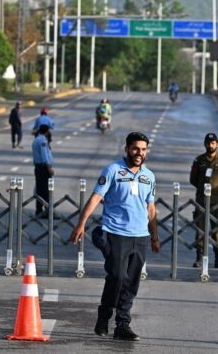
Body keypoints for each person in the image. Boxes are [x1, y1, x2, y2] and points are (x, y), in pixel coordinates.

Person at [70, 132, 160, 342]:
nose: (140, 153)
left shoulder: (149, 176)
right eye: (136, 148)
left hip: (140, 236)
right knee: (117, 277)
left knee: (132, 283)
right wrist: (81, 224)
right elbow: (95, 197)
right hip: (116, 233)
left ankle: (123, 325)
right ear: (127, 148)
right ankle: (104, 316)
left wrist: (154, 236)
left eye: (143, 149)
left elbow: (151, 207)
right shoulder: (113, 170)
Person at [189, 133, 218, 268]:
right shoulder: (199, 160)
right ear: (205, 144)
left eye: (213, 143)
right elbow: (193, 179)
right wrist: (203, 189)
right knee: (200, 229)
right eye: (208, 143)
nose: (210, 145)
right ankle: (199, 258)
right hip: (202, 200)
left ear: (217, 144)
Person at [32, 124, 54, 215]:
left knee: (39, 189)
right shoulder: (42, 141)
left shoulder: (36, 140)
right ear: (46, 131)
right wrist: (48, 168)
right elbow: (44, 155)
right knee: (45, 190)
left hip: (38, 167)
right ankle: (47, 211)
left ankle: (39, 210)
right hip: (43, 168)